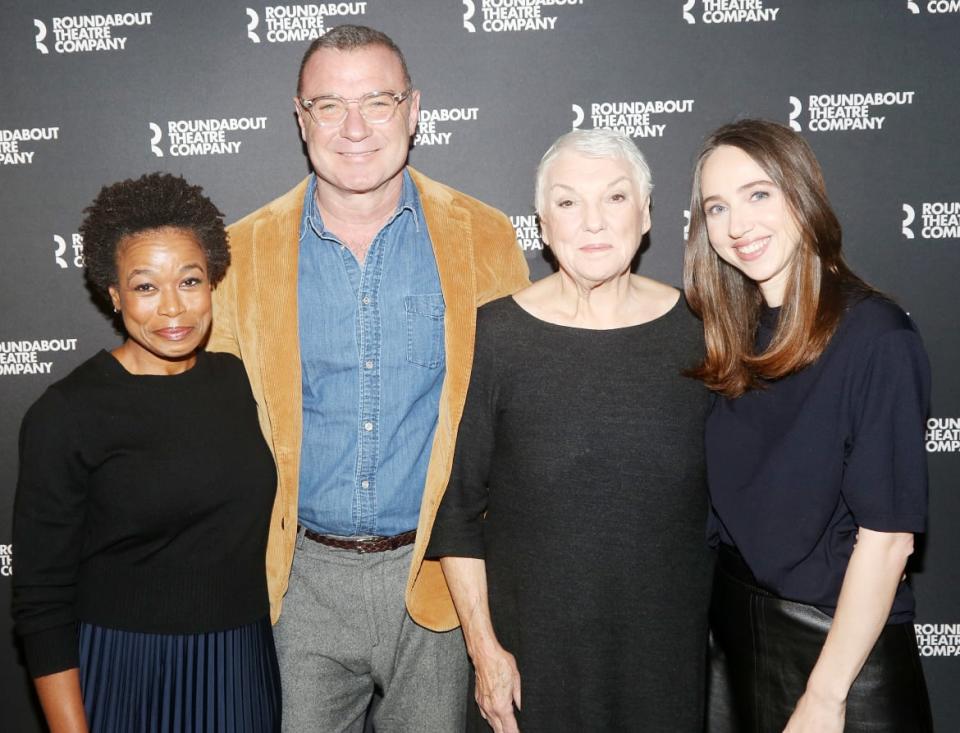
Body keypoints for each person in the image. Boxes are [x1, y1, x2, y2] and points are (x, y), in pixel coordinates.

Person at [206, 24, 529, 732]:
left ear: (413, 112)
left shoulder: (484, 236)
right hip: (299, 585)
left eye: (377, 102)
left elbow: (516, 419)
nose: (354, 128)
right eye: (328, 106)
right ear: (301, 119)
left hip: (437, 577)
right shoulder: (241, 252)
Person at [427, 128, 715, 733]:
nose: (592, 223)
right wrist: (485, 652)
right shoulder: (493, 337)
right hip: (532, 667)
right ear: (542, 222)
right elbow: (454, 515)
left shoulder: (705, 334)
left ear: (646, 214)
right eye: (567, 202)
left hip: (665, 665)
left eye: (613, 198)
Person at [684, 119, 933, 732]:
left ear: (802, 194)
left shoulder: (877, 337)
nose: (738, 225)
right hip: (735, 637)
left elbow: (889, 539)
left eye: (758, 194)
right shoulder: (730, 339)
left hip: (841, 653)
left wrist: (826, 695)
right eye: (717, 207)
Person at [11, 173, 280, 732]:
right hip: (126, 671)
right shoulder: (68, 413)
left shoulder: (237, 381)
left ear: (212, 284)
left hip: (242, 664)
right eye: (145, 287)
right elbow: (40, 599)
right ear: (113, 295)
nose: (173, 309)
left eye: (189, 280)